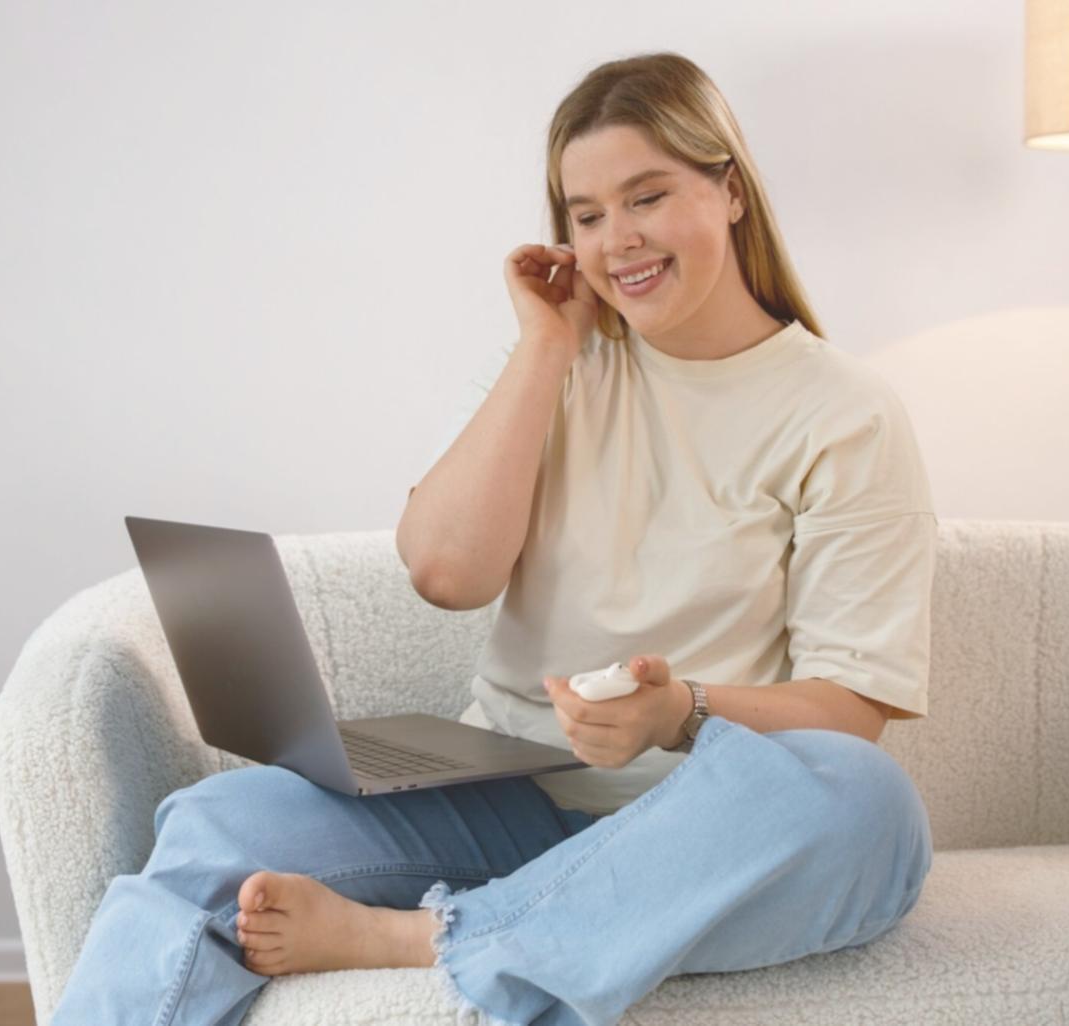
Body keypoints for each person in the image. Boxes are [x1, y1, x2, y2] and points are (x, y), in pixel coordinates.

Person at [52, 51, 935, 1026]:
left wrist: (679, 712)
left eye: (645, 196)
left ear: (729, 190)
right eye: (585, 214)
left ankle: (434, 937)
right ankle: (530, 928)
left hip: (696, 825)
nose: (617, 240)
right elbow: (444, 570)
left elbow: (849, 711)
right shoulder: (558, 368)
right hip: (511, 795)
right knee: (216, 823)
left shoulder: (842, 413)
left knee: (866, 804)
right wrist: (544, 349)